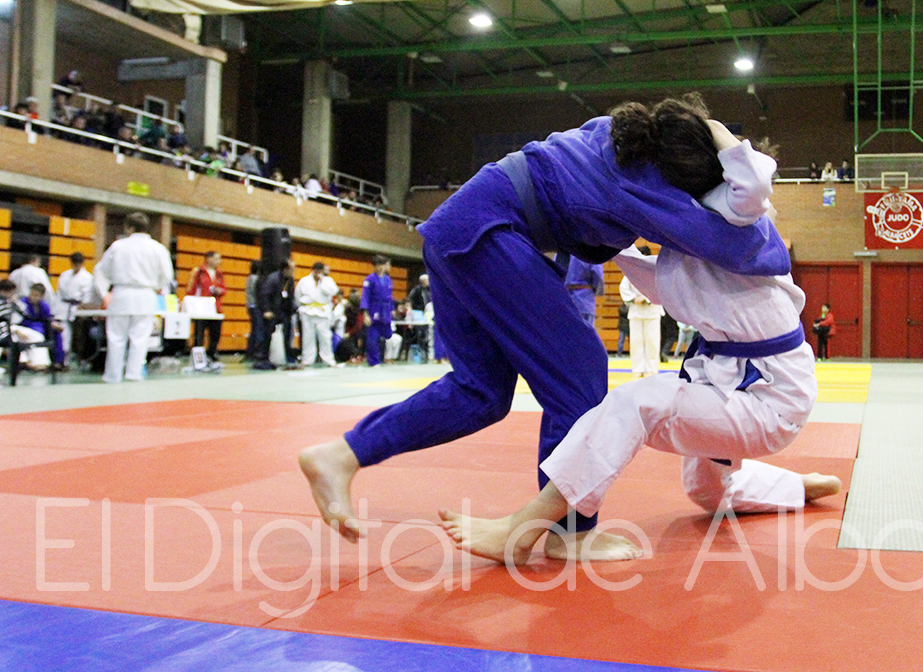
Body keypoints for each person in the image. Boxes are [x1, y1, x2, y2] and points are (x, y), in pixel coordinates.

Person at [299, 94, 790, 558]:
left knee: (479, 394)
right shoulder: (649, 181)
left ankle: (341, 454)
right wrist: (724, 144)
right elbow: (754, 245)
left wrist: (710, 132)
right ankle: (568, 533)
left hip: (457, 231)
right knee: (580, 371)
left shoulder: (617, 135)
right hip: (487, 233)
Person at [440, 134, 841, 564]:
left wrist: (707, 127)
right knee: (705, 490)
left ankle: (522, 529)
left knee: (635, 402)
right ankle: (795, 487)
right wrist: (604, 238)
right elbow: (655, 277)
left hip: (770, 397)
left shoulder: (738, 220)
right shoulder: (694, 240)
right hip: (727, 380)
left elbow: (754, 182)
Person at [92, 212, 174, 383]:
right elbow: (167, 275)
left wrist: (104, 293)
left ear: (129, 227)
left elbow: (100, 270)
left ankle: (112, 376)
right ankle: (134, 374)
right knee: (140, 338)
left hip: (121, 293)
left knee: (116, 337)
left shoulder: (118, 246)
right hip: (146, 294)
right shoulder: (158, 248)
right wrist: (156, 285)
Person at [621, 255, 664, 379]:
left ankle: (652, 370)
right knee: (636, 342)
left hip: (652, 312)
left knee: (652, 342)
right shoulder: (631, 273)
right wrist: (633, 298)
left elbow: (659, 288)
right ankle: (637, 369)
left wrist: (646, 298)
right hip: (636, 311)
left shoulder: (654, 272)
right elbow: (623, 288)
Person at [55, 252, 94, 365]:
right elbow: (59, 293)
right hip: (64, 307)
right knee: (64, 335)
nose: (76, 266)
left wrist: (83, 307)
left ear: (82, 263)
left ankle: (79, 358)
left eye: (78, 263)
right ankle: (63, 360)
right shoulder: (64, 275)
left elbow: (87, 296)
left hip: (78, 308)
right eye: (74, 263)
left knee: (78, 336)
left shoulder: (87, 277)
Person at [296, 262, 338, 366]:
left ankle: (328, 360)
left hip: (323, 312)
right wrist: (300, 307)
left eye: (319, 271)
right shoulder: (304, 281)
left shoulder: (328, 281)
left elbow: (333, 291)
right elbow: (297, 295)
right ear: (312, 270)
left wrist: (322, 281)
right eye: (316, 270)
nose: (317, 273)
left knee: (325, 337)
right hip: (307, 311)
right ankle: (307, 360)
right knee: (307, 337)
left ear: (322, 271)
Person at [186, 251, 225, 360]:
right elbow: (191, 289)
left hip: (215, 308)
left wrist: (219, 291)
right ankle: (197, 356)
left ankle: (212, 354)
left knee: (215, 333)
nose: (219, 261)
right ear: (208, 259)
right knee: (199, 334)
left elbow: (224, 288)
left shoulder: (219, 274)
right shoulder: (198, 272)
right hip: (201, 308)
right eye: (217, 258)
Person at [259, 258, 298, 368]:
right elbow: (265, 295)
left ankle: (286, 356)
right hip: (273, 311)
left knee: (287, 335)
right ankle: (264, 358)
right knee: (268, 335)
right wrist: (266, 310)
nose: (294, 271)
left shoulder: (290, 280)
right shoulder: (273, 278)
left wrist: (293, 309)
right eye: (292, 269)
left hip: (285, 312)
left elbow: (291, 296)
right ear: (285, 269)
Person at [18, 283, 64, 370]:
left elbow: (48, 318)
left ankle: (58, 362)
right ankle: (34, 362)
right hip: (26, 326)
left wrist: (54, 325)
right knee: (37, 329)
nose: (33, 297)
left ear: (42, 296)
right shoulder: (22, 303)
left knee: (57, 333)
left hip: (42, 327)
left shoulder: (44, 305)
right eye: (32, 294)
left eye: (36, 295)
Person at [361, 255, 394, 367]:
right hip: (373, 310)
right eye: (378, 265)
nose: (380, 267)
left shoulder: (388, 279)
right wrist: (365, 314)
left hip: (386, 310)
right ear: (374, 266)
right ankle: (374, 361)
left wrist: (392, 309)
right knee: (372, 337)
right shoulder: (369, 279)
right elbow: (365, 297)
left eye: (382, 265)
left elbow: (390, 296)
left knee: (388, 334)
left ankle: (381, 356)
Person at [565, 256, 605, 327]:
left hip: (563, 298)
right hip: (584, 299)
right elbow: (597, 274)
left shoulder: (562, 251)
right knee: (585, 331)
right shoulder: (590, 252)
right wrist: (597, 290)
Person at [407, 273, 432, 363]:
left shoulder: (429, 289)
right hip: (418, 313)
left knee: (427, 333)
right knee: (420, 334)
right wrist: (410, 310)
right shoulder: (417, 289)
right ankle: (419, 353)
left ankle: (427, 354)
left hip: (427, 313)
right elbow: (409, 300)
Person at [245, 261, 264, 364]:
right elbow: (258, 293)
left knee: (254, 329)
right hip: (256, 306)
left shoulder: (250, 278)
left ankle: (250, 351)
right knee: (258, 330)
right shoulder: (255, 279)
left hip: (251, 306)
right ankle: (256, 352)